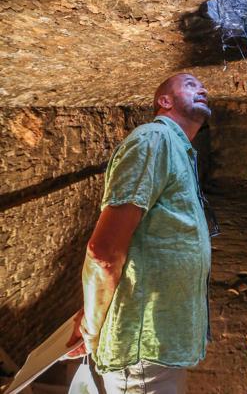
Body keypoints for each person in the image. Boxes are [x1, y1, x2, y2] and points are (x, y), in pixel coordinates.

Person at [66, 73, 216, 394]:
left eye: (202, 85)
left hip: (161, 339)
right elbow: (103, 254)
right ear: (164, 100)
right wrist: (93, 327)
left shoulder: (177, 150)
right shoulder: (154, 139)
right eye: (190, 84)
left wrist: (98, 305)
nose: (202, 88)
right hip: (142, 349)